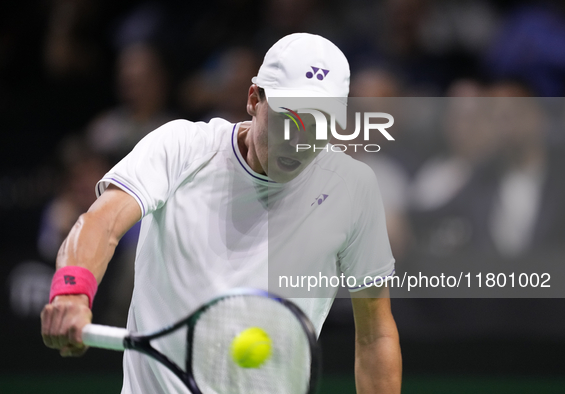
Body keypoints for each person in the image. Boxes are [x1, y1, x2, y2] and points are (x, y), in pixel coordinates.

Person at [40, 33, 402, 393]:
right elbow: (102, 223)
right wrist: (71, 293)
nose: (299, 139)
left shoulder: (352, 189)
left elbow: (375, 335)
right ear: (253, 99)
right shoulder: (182, 148)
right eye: (289, 116)